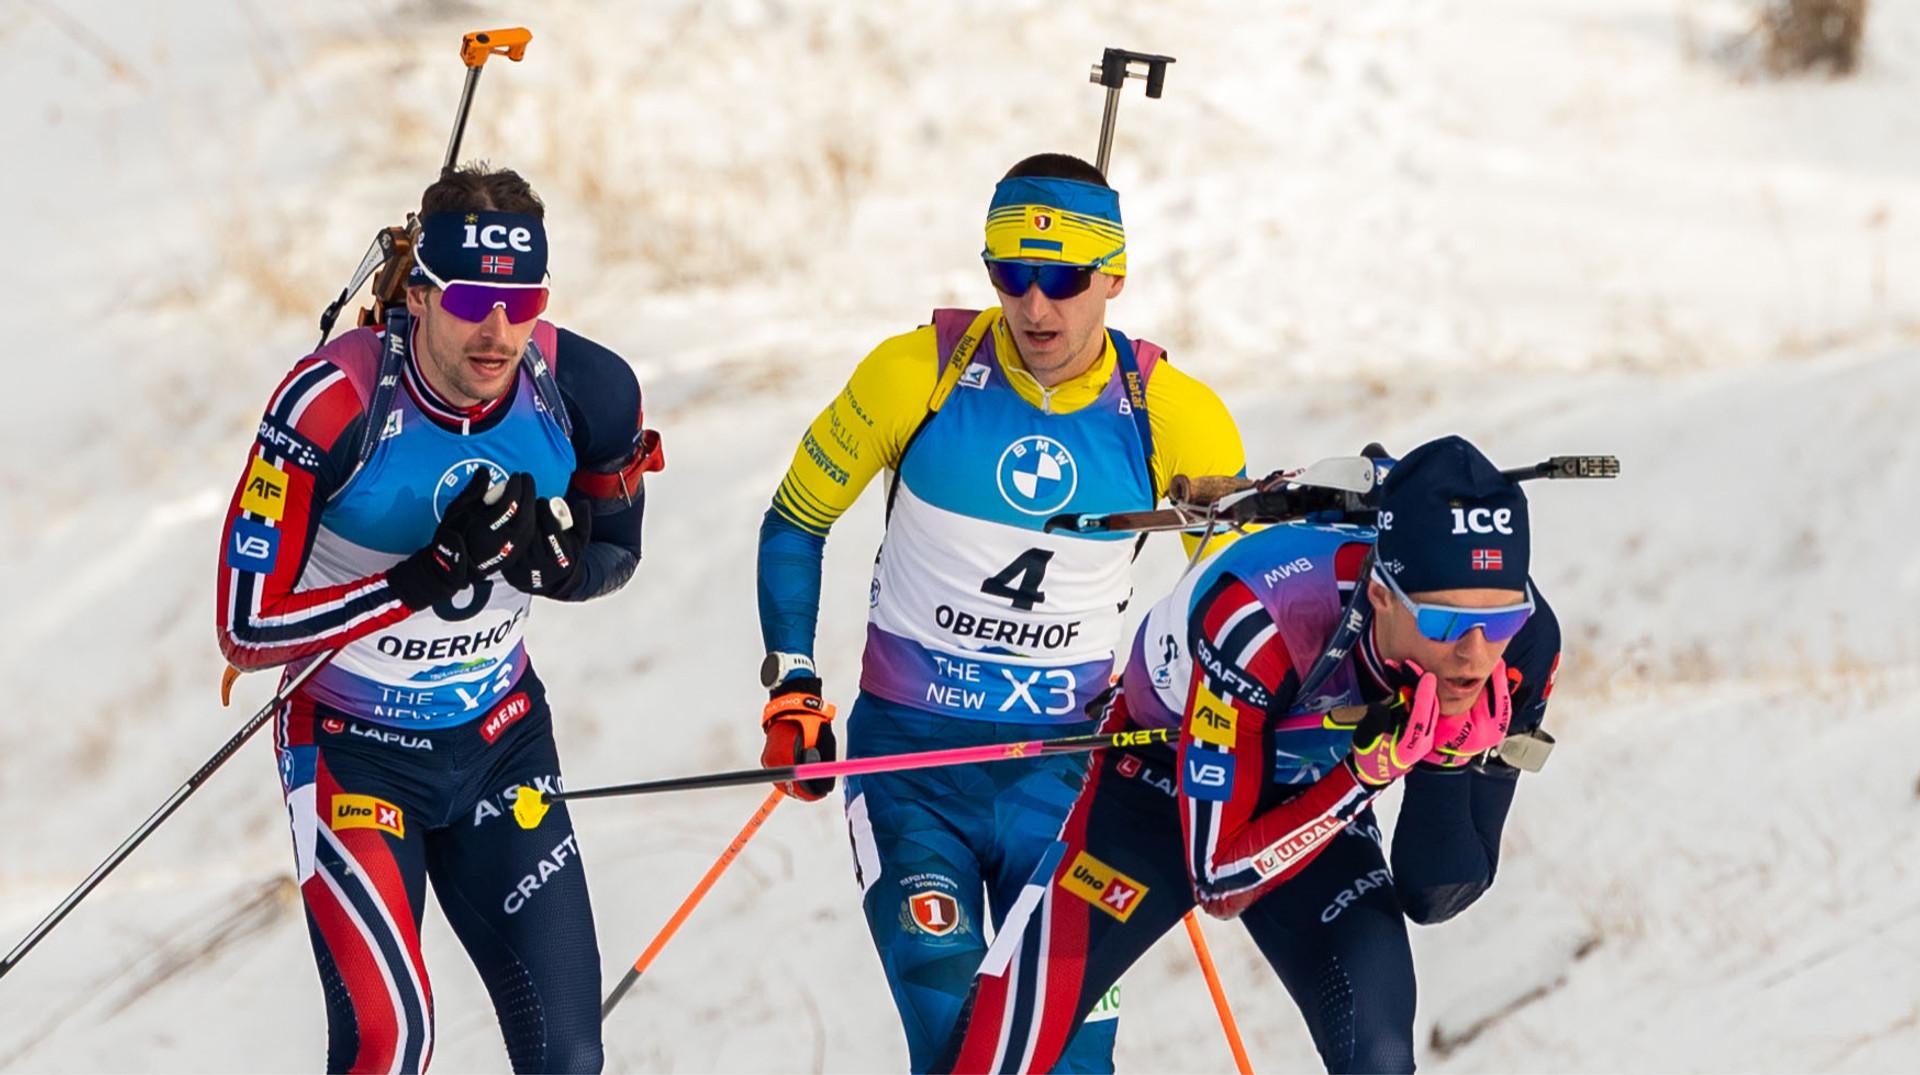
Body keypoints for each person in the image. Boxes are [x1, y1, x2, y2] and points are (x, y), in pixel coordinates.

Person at [754, 153, 1248, 1071]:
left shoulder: (1174, 417)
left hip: (1067, 787)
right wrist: (794, 682)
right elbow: (795, 520)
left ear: (1114, 276)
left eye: (1062, 279)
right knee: (956, 1047)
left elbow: (1236, 612)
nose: (1036, 307)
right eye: (1010, 276)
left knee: (1070, 1060)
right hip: (909, 771)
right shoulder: (918, 375)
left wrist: (1200, 724)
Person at [214, 165, 662, 1074]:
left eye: (523, 298)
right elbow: (244, 623)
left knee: (570, 1054)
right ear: (417, 295)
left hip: (501, 740)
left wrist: (557, 565)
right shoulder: (332, 401)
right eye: (469, 299)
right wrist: (420, 576)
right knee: (393, 1037)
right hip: (352, 745)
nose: (499, 329)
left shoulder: (588, 388)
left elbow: (616, 553)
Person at [937, 435, 1564, 1075]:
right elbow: (1221, 879)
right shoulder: (1263, 616)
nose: (1477, 655)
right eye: (1444, 624)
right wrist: (1366, 775)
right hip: (1158, 784)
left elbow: (1439, 893)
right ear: (1380, 595)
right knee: (994, 1056)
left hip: (1311, 787)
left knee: (1379, 1057)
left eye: (1503, 620)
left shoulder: (1525, 645)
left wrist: (1445, 765)